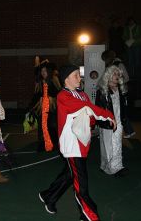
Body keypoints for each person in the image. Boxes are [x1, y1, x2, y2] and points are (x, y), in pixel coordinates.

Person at [38, 64, 115, 221]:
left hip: (82, 144)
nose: (79, 78)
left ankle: (48, 196)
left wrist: (101, 122)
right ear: (66, 80)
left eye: (78, 75)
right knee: (81, 183)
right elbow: (86, 108)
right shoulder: (63, 96)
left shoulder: (82, 94)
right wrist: (107, 115)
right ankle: (89, 215)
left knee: (69, 175)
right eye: (75, 75)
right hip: (72, 146)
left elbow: (90, 115)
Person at [95, 65, 129, 176]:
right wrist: (106, 120)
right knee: (107, 146)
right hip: (108, 123)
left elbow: (124, 107)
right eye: (115, 74)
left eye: (118, 74)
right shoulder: (102, 91)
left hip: (119, 122)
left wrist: (123, 121)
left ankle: (117, 167)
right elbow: (99, 109)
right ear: (108, 75)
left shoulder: (121, 90)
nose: (117, 76)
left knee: (117, 145)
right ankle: (106, 166)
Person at [101, 50, 136, 138]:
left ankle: (129, 131)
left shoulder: (119, 64)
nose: (105, 61)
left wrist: (117, 84)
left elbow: (126, 78)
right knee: (118, 111)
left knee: (121, 112)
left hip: (120, 91)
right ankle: (128, 131)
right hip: (115, 90)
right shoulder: (112, 64)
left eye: (105, 59)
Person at [29, 60, 61, 151]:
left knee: (52, 126)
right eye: (42, 71)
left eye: (45, 71)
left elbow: (58, 93)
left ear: (49, 71)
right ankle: (42, 145)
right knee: (41, 126)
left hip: (52, 107)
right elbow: (36, 95)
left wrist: (49, 97)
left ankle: (53, 144)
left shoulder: (54, 80)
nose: (43, 73)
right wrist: (31, 106)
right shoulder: (40, 82)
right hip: (41, 107)